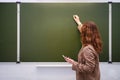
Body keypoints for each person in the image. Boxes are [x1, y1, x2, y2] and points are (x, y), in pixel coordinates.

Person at [63, 15, 102, 80]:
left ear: (85, 34)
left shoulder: (87, 49)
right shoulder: (94, 43)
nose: (81, 33)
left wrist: (74, 63)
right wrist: (78, 22)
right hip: (94, 77)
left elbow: (89, 68)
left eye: (83, 32)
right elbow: (85, 31)